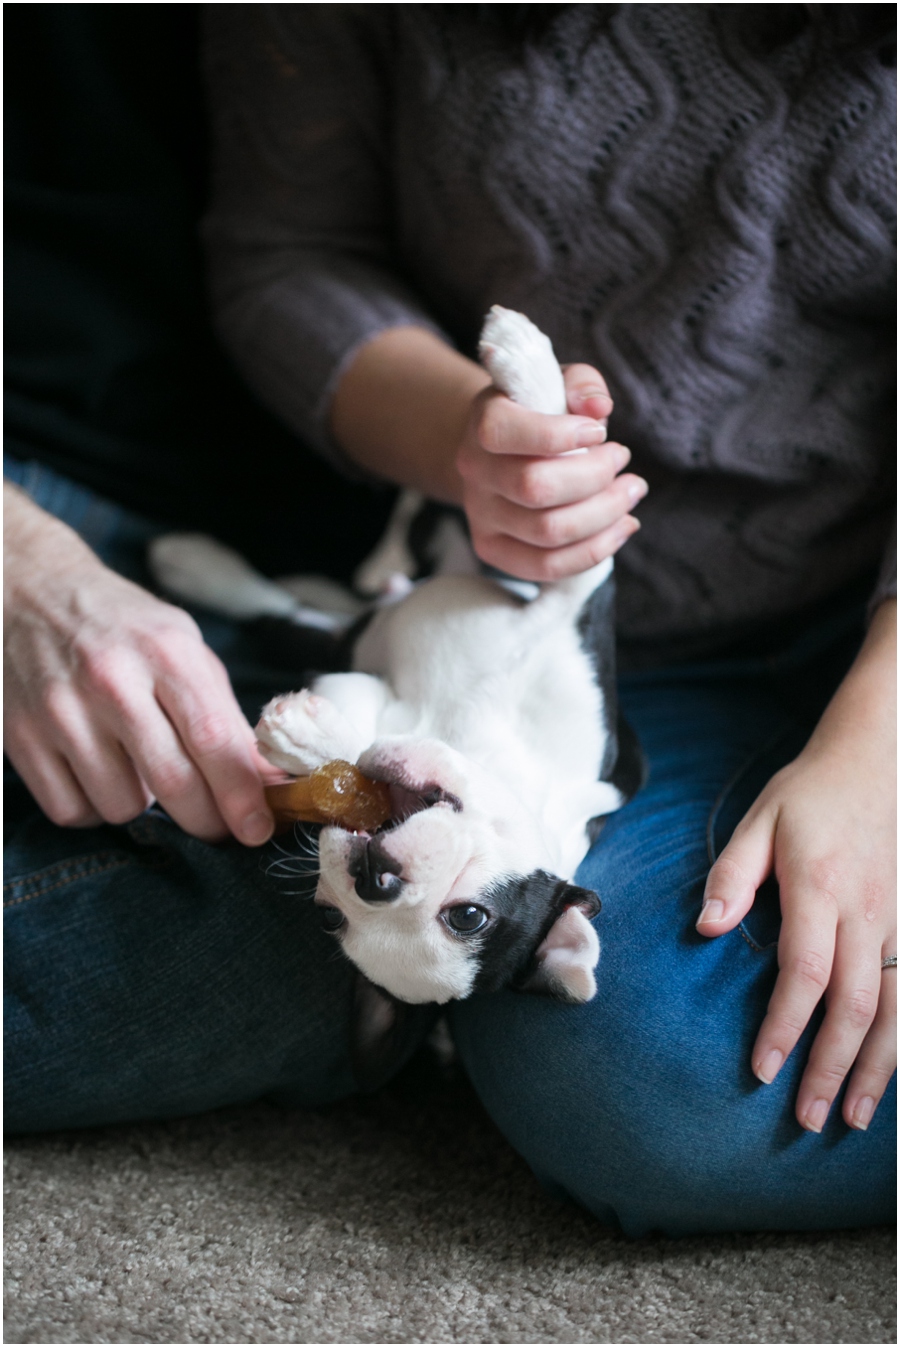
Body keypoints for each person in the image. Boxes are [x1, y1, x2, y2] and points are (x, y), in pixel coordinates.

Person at [5, 4, 895, 1237]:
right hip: (458, 593)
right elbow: (290, 248)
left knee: (654, 1088)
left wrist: (879, 743)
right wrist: (467, 442)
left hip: (844, 636)